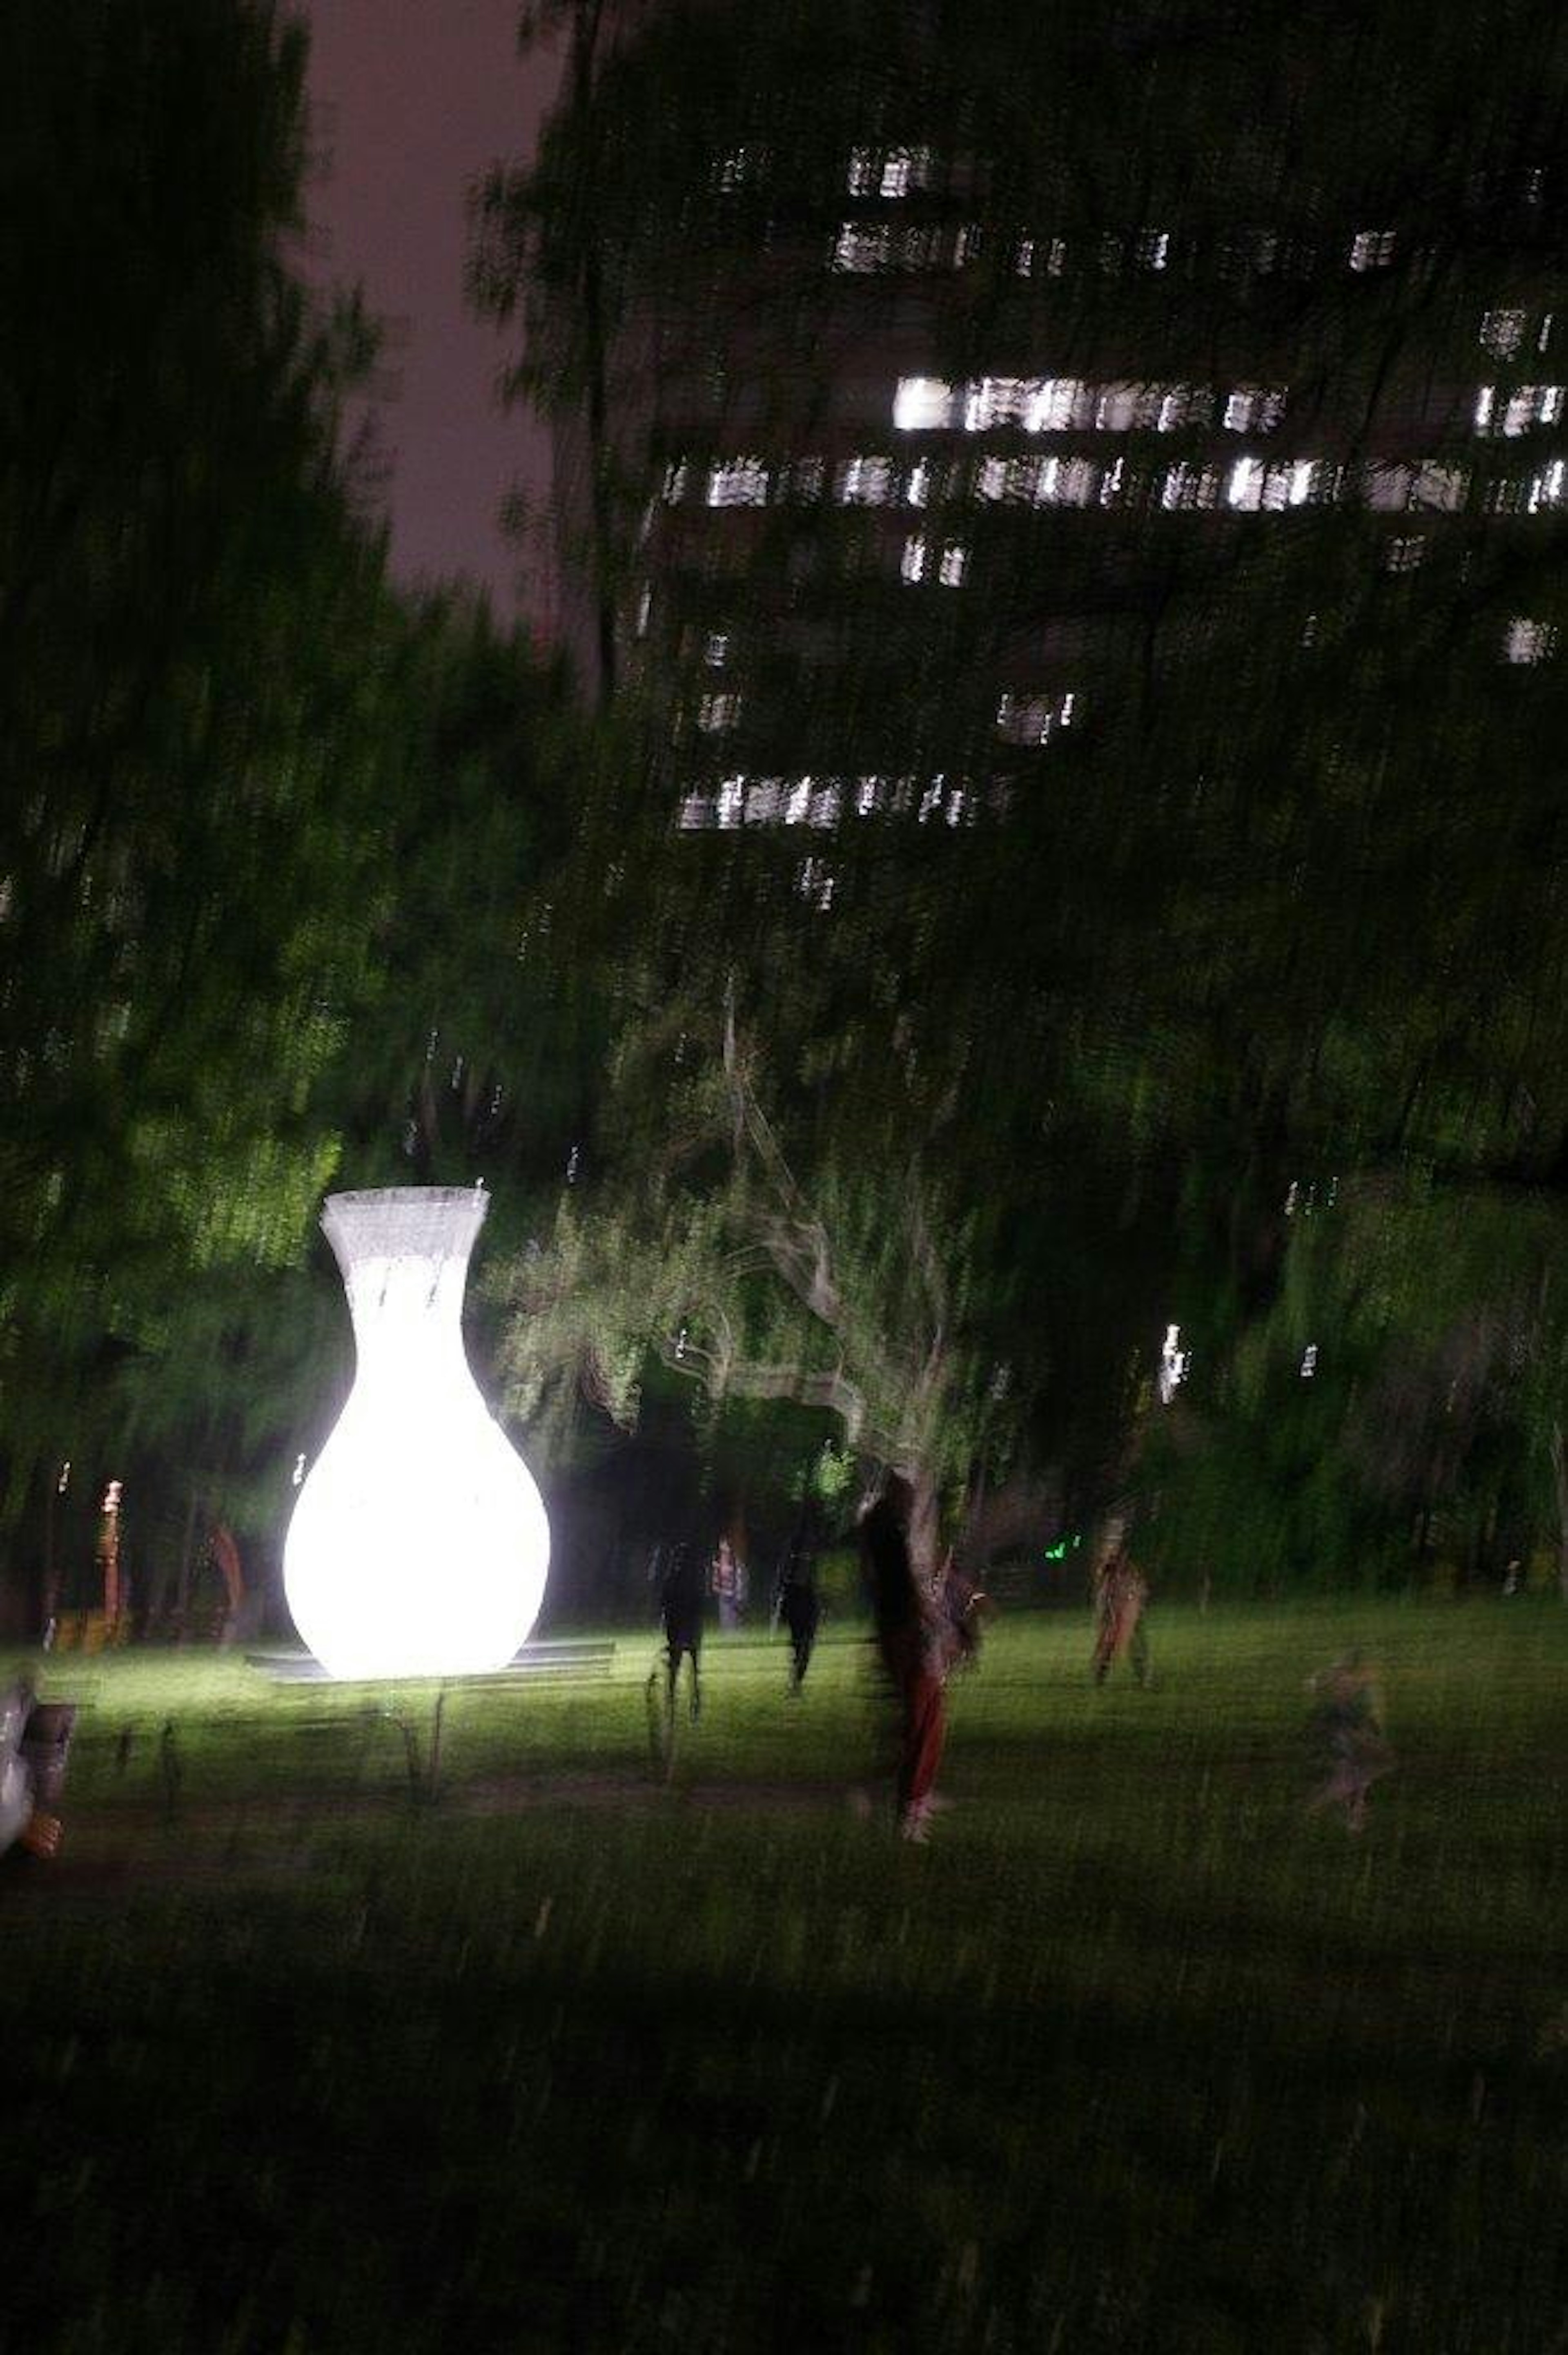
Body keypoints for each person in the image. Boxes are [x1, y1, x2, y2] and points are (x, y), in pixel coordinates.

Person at [858, 1473, 947, 1840]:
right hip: (905, 1631)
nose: (914, 1507)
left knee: (921, 1715)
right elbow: (905, 1587)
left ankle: (913, 1797)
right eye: (910, 1500)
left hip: (893, 1629)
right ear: (899, 1499)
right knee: (927, 1715)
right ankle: (912, 1804)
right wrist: (932, 1620)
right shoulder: (890, 1534)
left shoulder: (876, 1533)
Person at [1306, 1651, 1394, 1833]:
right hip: (1349, 1734)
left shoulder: (1356, 1686)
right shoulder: (1354, 1686)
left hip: (1351, 1734)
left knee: (1364, 1764)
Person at [652, 1536, 707, 1724]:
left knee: (680, 1667)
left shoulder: (675, 1577)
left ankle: (679, 1703)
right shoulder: (690, 1579)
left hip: (682, 1626)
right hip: (686, 1627)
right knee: (690, 1668)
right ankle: (690, 1703)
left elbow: (665, 1603)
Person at [775, 1506, 824, 1694]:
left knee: (799, 1641)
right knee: (803, 1641)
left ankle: (797, 1677)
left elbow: (785, 1571)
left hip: (800, 1597)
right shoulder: (804, 1546)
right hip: (801, 1598)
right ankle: (797, 1677)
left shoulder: (799, 1545)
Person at [1091, 1536, 1150, 1687]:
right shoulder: (1110, 1571)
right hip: (1115, 1611)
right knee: (1110, 1644)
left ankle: (1143, 1675)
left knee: (1135, 1644)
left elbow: (1139, 1588)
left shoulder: (1130, 1570)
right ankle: (1101, 1676)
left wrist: (1137, 1603)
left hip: (1128, 1611)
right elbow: (1105, 1592)